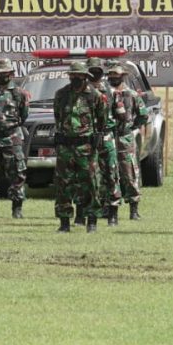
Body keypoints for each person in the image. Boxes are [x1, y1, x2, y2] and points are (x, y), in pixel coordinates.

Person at [52, 60, 107, 233]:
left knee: (90, 183)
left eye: (79, 75)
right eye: (73, 75)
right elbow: (57, 116)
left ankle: (91, 220)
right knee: (63, 185)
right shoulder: (61, 94)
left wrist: (96, 138)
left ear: (85, 77)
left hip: (86, 147)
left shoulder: (95, 95)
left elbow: (101, 119)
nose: (75, 78)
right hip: (65, 147)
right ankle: (64, 222)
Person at [0, 58, 30, 219]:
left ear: (11, 73)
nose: (2, 76)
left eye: (5, 73)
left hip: (12, 137)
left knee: (16, 173)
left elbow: (23, 115)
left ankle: (17, 208)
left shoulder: (18, 93)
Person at [106, 61, 148, 221]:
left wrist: (131, 127)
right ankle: (110, 209)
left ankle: (134, 209)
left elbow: (143, 115)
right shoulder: (105, 94)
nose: (113, 78)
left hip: (125, 138)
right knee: (109, 174)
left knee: (129, 173)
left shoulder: (131, 94)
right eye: (110, 75)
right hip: (108, 137)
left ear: (122, 76)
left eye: (116, 75)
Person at [86, 57, 121, 226]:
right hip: (87, 138)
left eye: (97, 71)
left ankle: (112, 213)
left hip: (106, 137)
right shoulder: (81, 91)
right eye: (91, 71)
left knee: (111, 174)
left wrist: (111, 131)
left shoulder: (111, 91)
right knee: (88, 176)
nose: (94, 75)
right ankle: (88, 212)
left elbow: (121, 115)